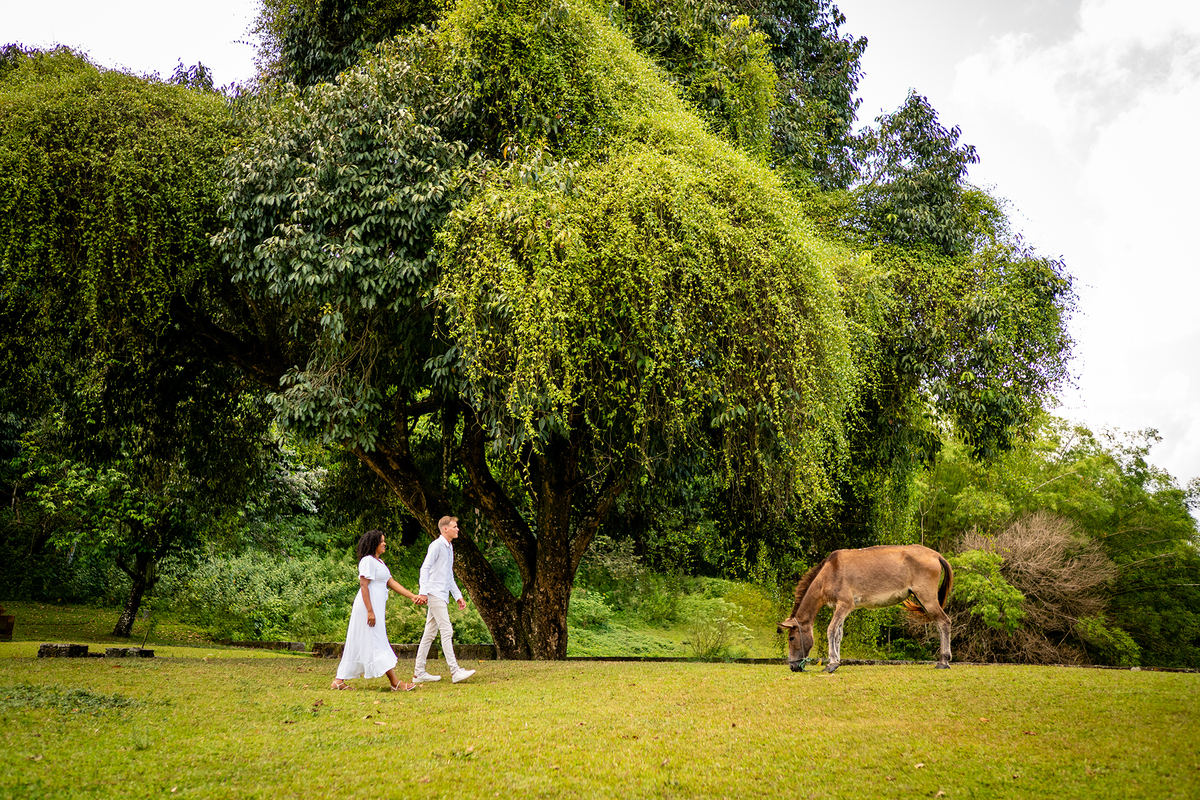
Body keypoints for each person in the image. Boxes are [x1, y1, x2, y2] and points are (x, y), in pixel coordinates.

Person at [332, 529, 425, 691]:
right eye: (381, 541)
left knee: (362, 642)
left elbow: (392, 582)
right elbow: (364, 585)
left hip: (376, 608)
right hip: (367, 608)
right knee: (378, 642)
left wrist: (412, 596)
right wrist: (369, 611)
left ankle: (338, 681)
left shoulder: (379, 562)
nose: (384, 543)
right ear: (373, 543)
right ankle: (395, 683)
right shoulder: (367, 561)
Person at [412, 515, 476, 684]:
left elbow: (448, 575)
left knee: (429, 634)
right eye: (454, 526)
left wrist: (458, 596)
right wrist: (423, 592)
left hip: (441, 594)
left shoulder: (449, 548)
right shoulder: (437, 546)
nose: (457, 529)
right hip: (434, 594)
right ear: (445, 529)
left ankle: (418, 673)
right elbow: (424, 568)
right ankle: (455, 671)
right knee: (446, 630)